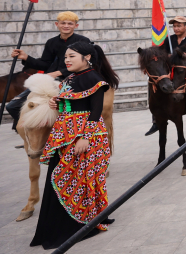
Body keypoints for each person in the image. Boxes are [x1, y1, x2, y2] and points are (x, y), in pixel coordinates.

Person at [30, 41, 119, 249]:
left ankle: (83, 220)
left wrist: (85, 138)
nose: (66, 60)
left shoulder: (94, 78)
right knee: (63, 177)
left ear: (86, 58)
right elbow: (69, 103)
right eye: (66, 57)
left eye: (71, 56)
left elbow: (95, 112)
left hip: (85, 136)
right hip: (64, 133)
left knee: (81, 178)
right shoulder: (69, 78)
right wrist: (57, 103)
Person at [7, 12, 91, 132]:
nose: (66, 26)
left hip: (74, 80)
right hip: (49, 80)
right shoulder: (51, 42)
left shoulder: (83, 41)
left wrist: (59, 72)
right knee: (12, 106)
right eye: (63, 23)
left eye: (70, 23)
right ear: (57, 24)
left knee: (68, 110)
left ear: (75, 26)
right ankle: (33, 135)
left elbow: (85, 63)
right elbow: (45, 64)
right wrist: (26, 57)